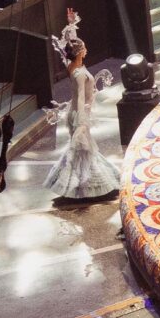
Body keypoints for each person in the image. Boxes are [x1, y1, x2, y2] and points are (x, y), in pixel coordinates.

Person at [43, 42, 117, 204]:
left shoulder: (74, 68)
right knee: (82, 150)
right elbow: (81, 98)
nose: (86, 50)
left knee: (83, 150)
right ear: (79, 53)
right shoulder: (79, 74)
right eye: (84, 48)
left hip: (78, 112)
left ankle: (88, 184)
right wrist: (81, 121)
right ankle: (83, 187)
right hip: (79, 114)